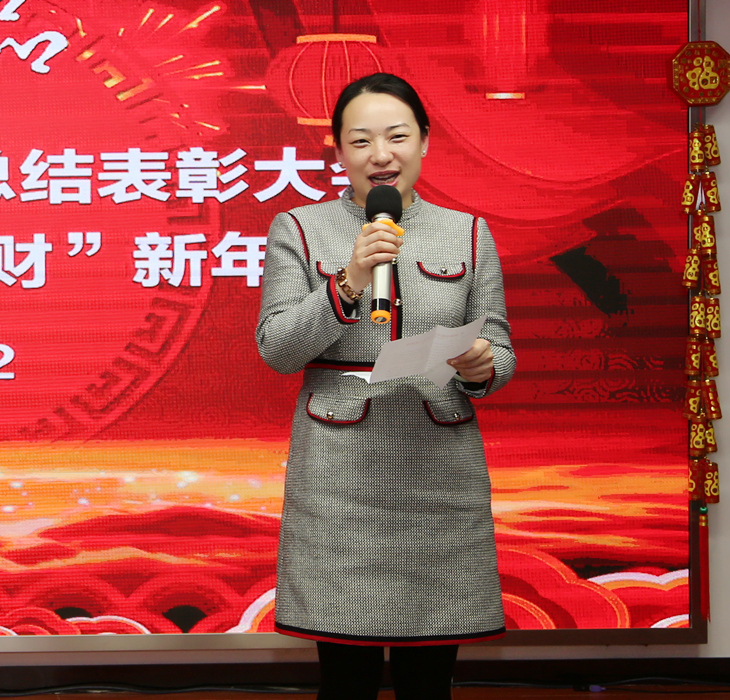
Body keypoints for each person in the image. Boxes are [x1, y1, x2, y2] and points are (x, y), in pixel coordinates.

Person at [256, 73, 516, 700]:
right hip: (339, 477)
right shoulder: (298, 228)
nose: (381, 155)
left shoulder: (468, 232)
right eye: (361, 140)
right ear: (338, 149)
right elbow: (278, 349)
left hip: (438, 472)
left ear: (424, 140)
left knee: (430, 681)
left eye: (397, 137)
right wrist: (349, 277)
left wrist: (482, 366)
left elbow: (500, 347)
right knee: (346, 680)